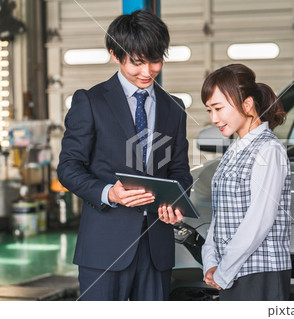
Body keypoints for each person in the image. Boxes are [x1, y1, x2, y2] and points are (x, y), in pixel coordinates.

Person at [57, 10, 192, 301]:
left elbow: (180, 171)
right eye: (137, 62)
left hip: (157, 250)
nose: (147, 71)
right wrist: (109, 193)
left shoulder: (174, 108)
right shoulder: (90, 102)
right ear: (115, 55)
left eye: (155, 60)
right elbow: (68, 168)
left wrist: (174, 201)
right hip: (104, 249)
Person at [200, 64, 292, 301]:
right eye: (210, 110)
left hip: (259, 274)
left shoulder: (268, 150)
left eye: (218, 108)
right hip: (230, 272)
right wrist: (210, 261)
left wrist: (223, 270)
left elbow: (258, 221)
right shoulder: (233, 152)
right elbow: (219, 215)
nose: (214, 118)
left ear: (247, 104)